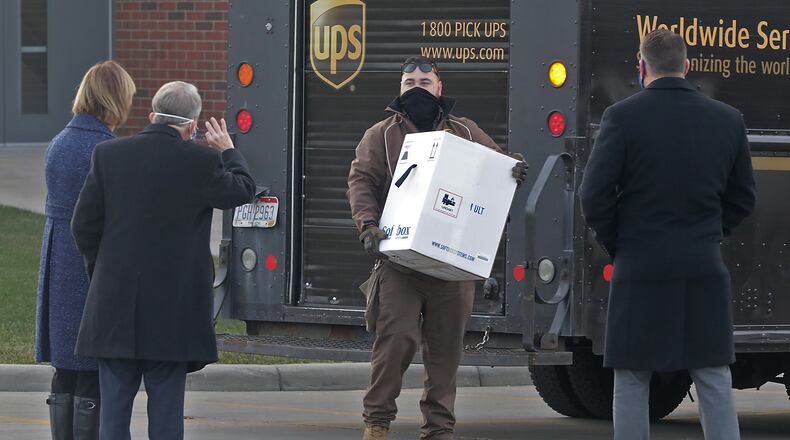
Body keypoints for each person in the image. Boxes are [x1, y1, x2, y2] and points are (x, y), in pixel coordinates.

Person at [580, 29, 756, 440]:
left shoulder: (621, 117)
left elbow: (594, 197)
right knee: (712, 375)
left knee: (632, 378)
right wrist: (711, 232)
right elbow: (743, 197)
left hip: (639, 265)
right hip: (702, 265)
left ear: (641, 68)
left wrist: (620, 242)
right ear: (687, 65)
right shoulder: (727, 120)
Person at [347, 56, 528, 440]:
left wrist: (513, 169)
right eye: (409, 81)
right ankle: (377, 423)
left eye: (425, 81)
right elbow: (361, 181)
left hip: (451, 266)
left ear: (439, 87)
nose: (417, 87)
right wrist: (368, 225)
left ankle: (439, 430)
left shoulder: (464, 131)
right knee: (395, 341)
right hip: (400, 266)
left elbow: (497, 167)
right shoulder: (380, 135)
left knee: (446, 354)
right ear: (399, 88)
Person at [71, 81, 256, 440]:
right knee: (167, 414)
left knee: (113, 415)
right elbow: (243, 190)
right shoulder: (202, 161)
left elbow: (83, 226)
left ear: (152, 115)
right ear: (191, 126)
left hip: (114, 305)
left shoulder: (109, 155)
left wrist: (101, 270)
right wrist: (228, 150)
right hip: (173, 310)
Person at [35, 60, 135, 440]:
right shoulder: (104, 149)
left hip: (60, 258)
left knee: (67, 366)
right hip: (90, 262)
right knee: (92, 365)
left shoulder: (60, 142)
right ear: (115, 99)